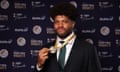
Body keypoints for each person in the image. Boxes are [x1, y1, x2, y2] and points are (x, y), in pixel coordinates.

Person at [33, 2, 101, 72]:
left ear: (73, 24)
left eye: (64, 21)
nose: (60, 25)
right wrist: (39, 66)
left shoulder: (88, 49)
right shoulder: (46, 49)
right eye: (57, 22)